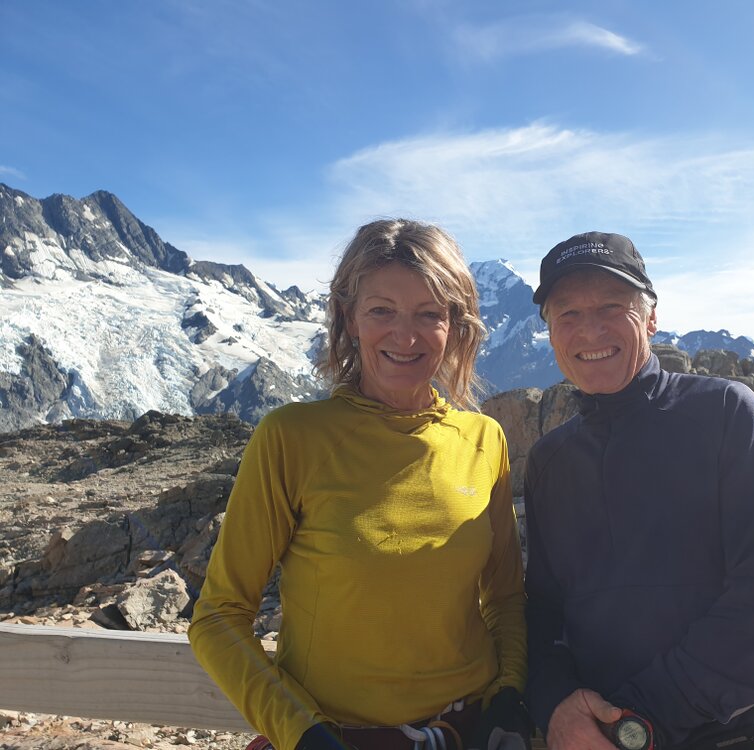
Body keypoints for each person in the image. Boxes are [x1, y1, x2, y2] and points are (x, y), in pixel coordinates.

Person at [189, 219, 530, 750]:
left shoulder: (484, 439)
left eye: (429, 314)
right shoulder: (291, 438)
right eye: (381, 311)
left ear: (455, 325)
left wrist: (509, 695)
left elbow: (505, 596)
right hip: (336, 735)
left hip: (470, 729)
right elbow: (218, 617)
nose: (405, 335)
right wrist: (302, 734)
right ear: (348, 318)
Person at [523, 231, 754, 750]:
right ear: (549, 331)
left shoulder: (724, 413)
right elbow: (544, 613)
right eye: (566, 313)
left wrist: (636, 723)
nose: (589, 330)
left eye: (612, 306)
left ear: (651, 316)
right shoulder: (551, 460)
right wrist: (556, 706)